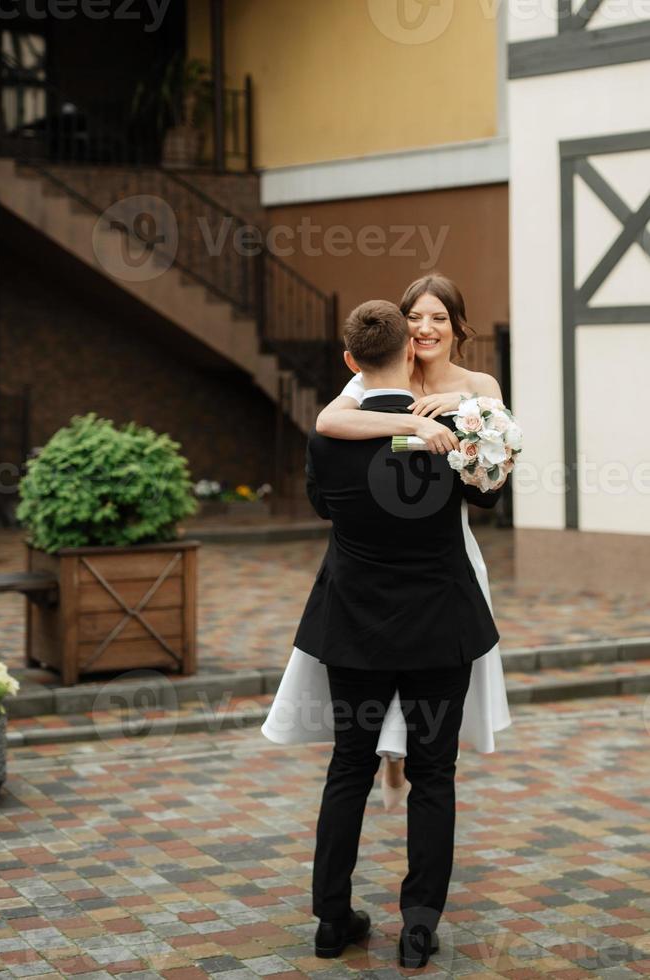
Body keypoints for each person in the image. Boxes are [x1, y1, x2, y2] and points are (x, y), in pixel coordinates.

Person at [292, 297, 509, 968]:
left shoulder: (329, 433)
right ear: (409, 352)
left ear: (352, 362)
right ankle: (419, 927)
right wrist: (452, 431)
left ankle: (332, 918)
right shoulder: (455, 427)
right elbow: (489, 495)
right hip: (438, 627)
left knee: (348, 767)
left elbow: (324, 506)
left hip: (354, 626)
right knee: (435, 771)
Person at [262, 273, 511, 811]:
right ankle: (391, 760)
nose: (425, 328)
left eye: (438, 317)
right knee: (383, 666)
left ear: (456, 326)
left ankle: (405, 760)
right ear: (401, 327)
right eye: (415, 317)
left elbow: (494, 470)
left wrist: (457, 409)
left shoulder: (480, 387)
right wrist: (416, 426)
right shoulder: (379, 374)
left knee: (435, 678)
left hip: (447, 548)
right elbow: (329, 421)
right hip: (378, 558)